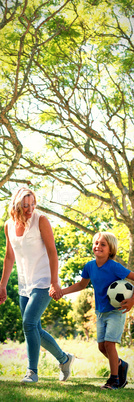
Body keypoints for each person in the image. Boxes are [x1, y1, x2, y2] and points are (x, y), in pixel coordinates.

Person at [0, 187, 74, 383]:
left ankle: (32, 372)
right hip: (25, 282)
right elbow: (9, 257)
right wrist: (2, 285)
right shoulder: (8, 225)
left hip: (43, 281)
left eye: (33, 204)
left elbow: (52, 252)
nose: (30, 209)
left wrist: (54, 282)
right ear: (16, 205)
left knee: (29, 323)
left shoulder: (41, 220)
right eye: (25, 206)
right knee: (34, 329)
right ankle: (64, 359)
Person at [50, 232, 134, 390]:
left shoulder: (114, 266)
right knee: (102, 347)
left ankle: (115, 379)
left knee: (110, 344)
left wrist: (132, 300)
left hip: (116, 311)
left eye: (103, 244)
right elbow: (81, 285)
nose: (98, 246)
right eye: (96, 243)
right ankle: (121, 365)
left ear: (111, 249)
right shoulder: (89, 266)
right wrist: (62, 292)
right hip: (100, 312)